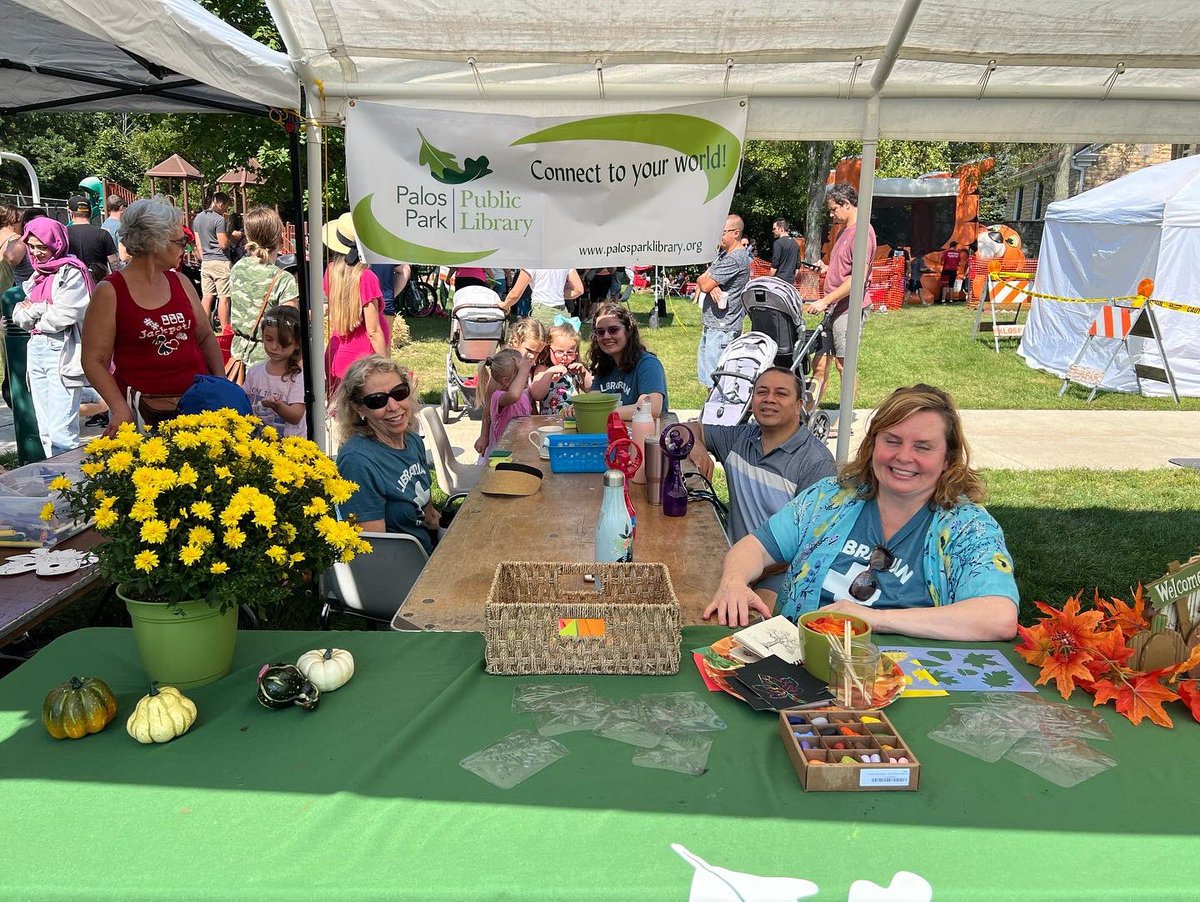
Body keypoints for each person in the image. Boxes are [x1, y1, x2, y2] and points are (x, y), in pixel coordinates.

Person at [705, 384, 1020, 642]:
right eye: (892, 441)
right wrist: (733, 582)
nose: (903, 457)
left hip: (905, 682)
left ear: (948, 459)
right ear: (873, 445)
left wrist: (877, 619)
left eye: (923, 447)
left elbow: (998, 617)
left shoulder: (969, 527)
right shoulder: (831, 497)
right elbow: (755, 548)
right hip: (798, 665)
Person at [687, 366, 837, 606]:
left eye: (781, 393)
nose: (769, 399)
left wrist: (750, 570)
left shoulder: (816, 463)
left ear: (799, 406)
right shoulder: (740, 438)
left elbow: (813, 545)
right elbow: (691, 429)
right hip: (734, 561)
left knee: (753, 626)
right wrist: (695, 447)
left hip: (780, 573)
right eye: (762, 392)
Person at [82, 198, 223, 434]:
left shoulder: (180, 281)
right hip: (141, 412)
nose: (185, 247)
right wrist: (119, 409)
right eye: (180, 241)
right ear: (154, 242)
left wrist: (220, 384)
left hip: (196, 404)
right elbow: (93, 360)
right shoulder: (110, 291)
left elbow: (206, 336)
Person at [333, 355, 437, 553]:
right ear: (359, 408)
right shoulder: (358, 462)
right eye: (377, 400)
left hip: (430, 554)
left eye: (399, 393)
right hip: (406, 570)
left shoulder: (413, 441)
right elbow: (376, 551)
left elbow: (429, 516)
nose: (393, 406)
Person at [11, 217, 93, 455]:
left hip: (62, 350)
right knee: (45, 429)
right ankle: (55, 483)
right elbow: (18, 315)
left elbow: (66, 315)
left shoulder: (72, 272)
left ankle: (71, 485)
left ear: (56, 244)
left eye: (42, 247)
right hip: (36, 348)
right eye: (32, 246)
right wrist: (42, 309)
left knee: (62, 432)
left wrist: (35, 310)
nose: (36, 253)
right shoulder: (36, 277)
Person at [803, 184, 878, 419]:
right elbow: (845, 268)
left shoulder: (862, 232)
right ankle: (805, 416)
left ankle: (844, 423)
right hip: (834, 309)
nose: (831, 214)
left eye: (834, 209)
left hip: (848, 310)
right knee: (820, 363)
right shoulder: (845, 231)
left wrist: (825, 301)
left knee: (844, 366)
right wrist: (827, 268)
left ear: (847, 204)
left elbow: (857, 278)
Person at [322, 213, 389, 399]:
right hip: (362, 362)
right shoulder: (367, 278)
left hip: (337, 356)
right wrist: (387, 368)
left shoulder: (331, 272)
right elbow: (373, 330)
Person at [227, 207, 299, 373]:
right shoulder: (283, 279)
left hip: (239, 355)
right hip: (270, 362)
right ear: (279, 237)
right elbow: (289, 329)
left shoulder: (237, 267)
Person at [696, 214, 751, 389]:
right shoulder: (723, 255)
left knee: (717, 380)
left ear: (736, 233)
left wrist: (707, 284)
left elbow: (704, 283)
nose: (718, 236)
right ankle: (711, 412)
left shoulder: (735, 258)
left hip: (723, 327)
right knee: (707, 377)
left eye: (722, 232)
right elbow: (702, 279)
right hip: (713, 324)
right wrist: (711, 285)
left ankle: (719, 413)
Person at [474, 317, 546, 453]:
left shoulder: (525, 365)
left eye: (538, 353)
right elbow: (489, 409)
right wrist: (483, 436)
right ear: (515, 341)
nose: (533, 357)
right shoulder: (504, 368)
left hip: (520, 439)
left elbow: (529, 403)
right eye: (529, 350)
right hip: (502, 442)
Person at [588, 301, 668, 420]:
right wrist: (578, 408)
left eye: (613, 330)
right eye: (600, 332)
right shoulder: (605, 365)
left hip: (645, 435)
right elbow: (593, 399)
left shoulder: (648, 364)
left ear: (629, 331)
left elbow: (653, 408)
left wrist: (603, 413)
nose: (606, 336)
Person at [243, 305, 306, 438]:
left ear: (297, 343)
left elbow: (295, 416)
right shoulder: (254, 372)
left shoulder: (298, 376)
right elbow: (243, 402)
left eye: (283, 343)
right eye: (269, 339)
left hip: (290, 449)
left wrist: (277, 406)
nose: (274, 347)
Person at [475, 348, 534, 456]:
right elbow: (513, 396)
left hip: (520, 449)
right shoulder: (498, 397)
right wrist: (524, 370)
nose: (526, 376)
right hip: (503, 455)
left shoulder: (523, 396)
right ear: (506, 380)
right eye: (519, 373)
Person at [530, 317, 592, 416]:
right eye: (559, 352)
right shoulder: (543, 369)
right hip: (549, 423)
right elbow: (536, 394)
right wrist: (549, 373)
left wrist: (584, 373)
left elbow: (591, 390)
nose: (565, 357)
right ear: (548, 349)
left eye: (570, 353)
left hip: (573, 419)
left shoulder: (574, 370)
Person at [192, 192, 232, 331]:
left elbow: (198, 244)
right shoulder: (219, 219)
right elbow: (223, 244)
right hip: (220, 261)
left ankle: (204, 328)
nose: (225, 210)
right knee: (224, 298)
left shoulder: (197, 218)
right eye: (225, 206)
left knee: (207, 296)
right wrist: (232, 237)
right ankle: (226, 330)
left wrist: (204, 259)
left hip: (206, 262)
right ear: (220, 203)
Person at [66, 194, 119, 283]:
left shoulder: (63, 234)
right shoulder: (103, 234)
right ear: (90, 213)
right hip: (99, 286)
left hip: (71, 286)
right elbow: (114, 264)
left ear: (71, 213)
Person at [504, 268, 584, 325]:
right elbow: (579, 290)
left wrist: (504, 305)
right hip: (562, 312)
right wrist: (556, 294)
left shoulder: (531, 263)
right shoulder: (563, 260)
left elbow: (515, 294)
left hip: (542, 312)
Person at [769, 218, 800, 285]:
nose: (773, 231)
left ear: (781, 229)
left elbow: (775, 264)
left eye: (774, 229)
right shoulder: (795, 243)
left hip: (778, 281)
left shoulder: (778, 243)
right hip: (790, 283)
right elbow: (798, 266)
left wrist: (769, 279)